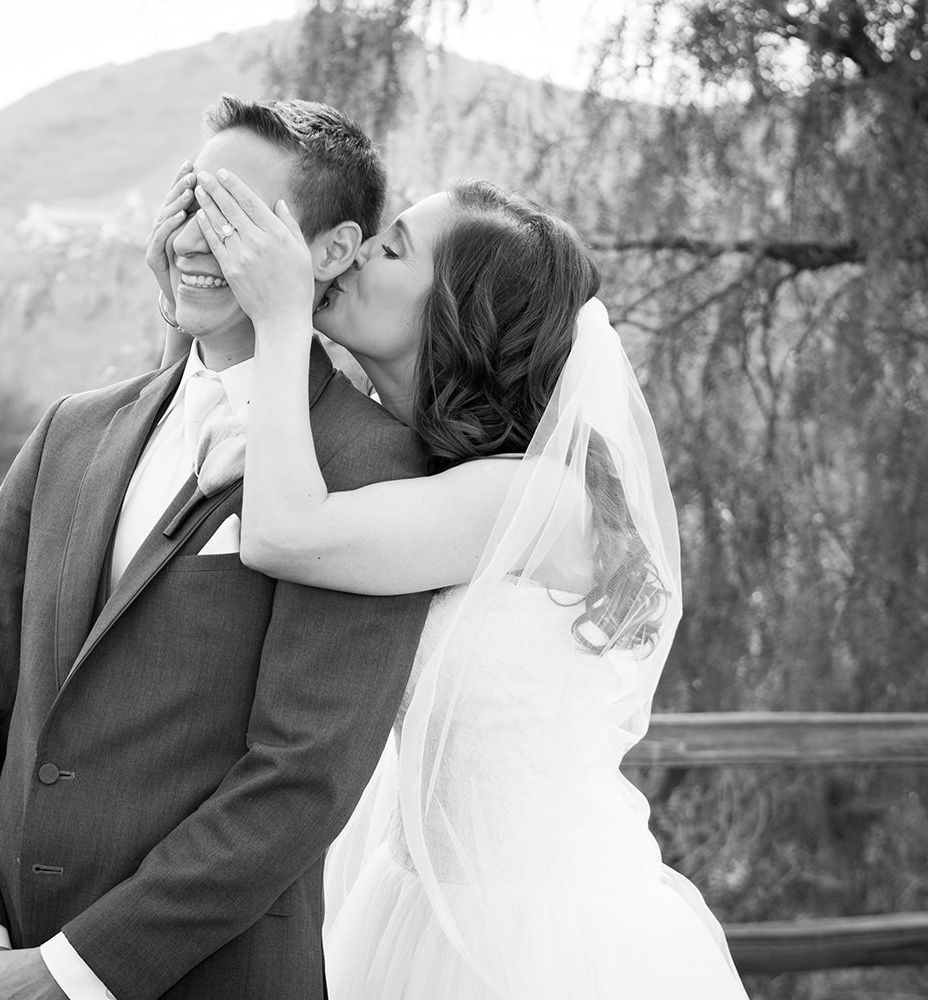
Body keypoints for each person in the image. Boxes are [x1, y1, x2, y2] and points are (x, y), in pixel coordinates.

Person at [173, 169, 752, 998]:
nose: (360, 252)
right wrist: (192, 308)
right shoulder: (421, 470)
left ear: (458, 312)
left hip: (540, 942)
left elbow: (281, 533)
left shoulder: (533, 496)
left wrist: (277, 315)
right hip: (418, 908)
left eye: (393, 247)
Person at [0, 97, 434, 1000]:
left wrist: (67, 974)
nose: (192, 238)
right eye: (189, 201)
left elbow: (299, 780)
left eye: (232, 217)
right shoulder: (72, 431)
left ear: (333, 252)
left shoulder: (375, 466)